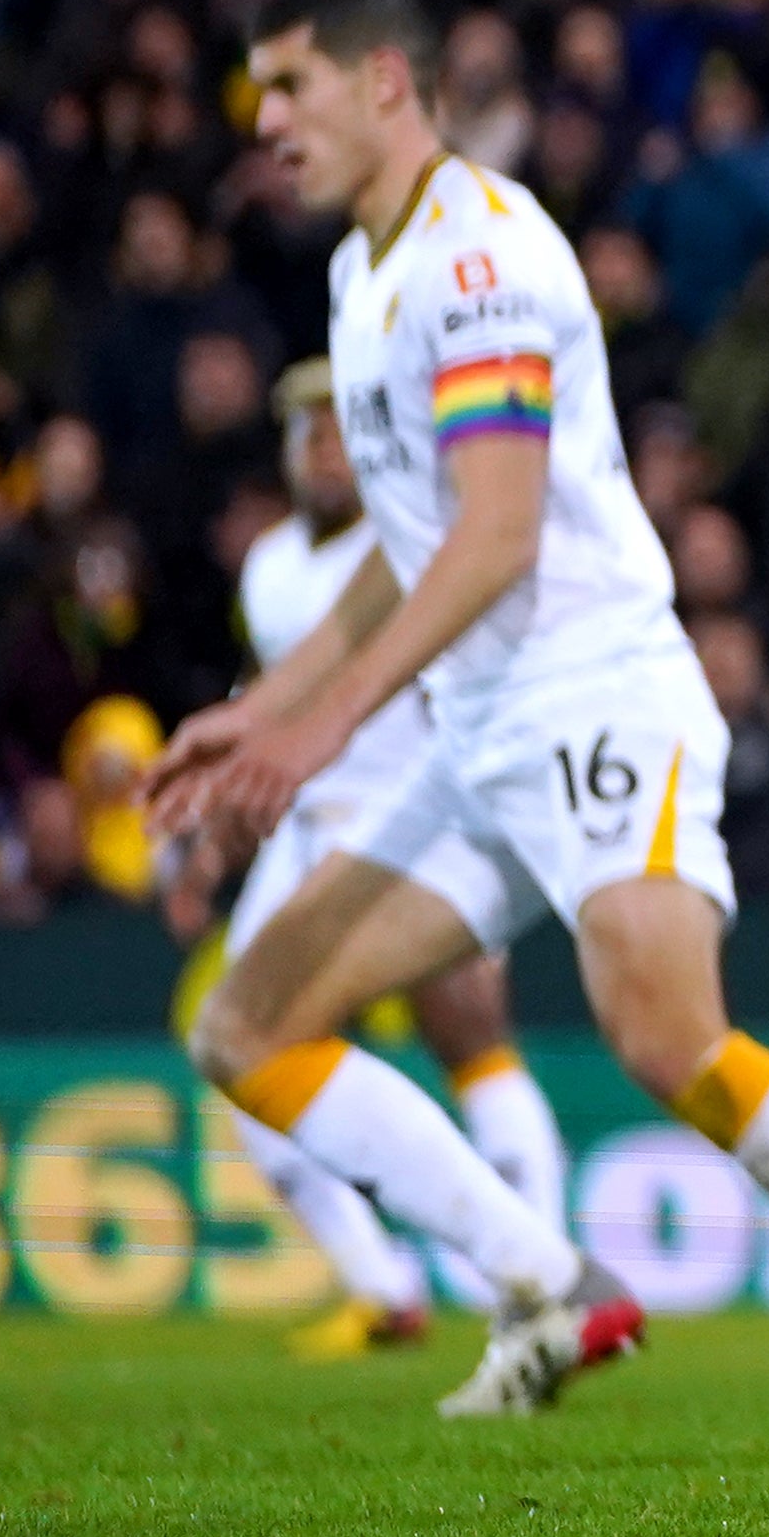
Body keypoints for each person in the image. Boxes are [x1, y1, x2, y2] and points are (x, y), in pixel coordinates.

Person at [151, 0, 769, 1416]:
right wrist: (273, 697)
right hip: (477, 727)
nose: (266, 118)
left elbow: (495, 535)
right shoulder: (357, 276)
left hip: (591, 692)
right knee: (247, 1024)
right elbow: (411, 546)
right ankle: (544, 1285)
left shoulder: (477, 255)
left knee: (665, 1034)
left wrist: (326, 720)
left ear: (385, 78)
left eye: (289, 83)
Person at [217, 357, 568, 1358]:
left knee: (469, 1037)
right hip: (302, 828)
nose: (324, 448)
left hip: (412, 817)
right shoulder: (269, 563)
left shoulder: (417, 543)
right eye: (305, 432)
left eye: (339, 428)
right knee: (238, 1050)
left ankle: (541, 1268)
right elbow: (267, 690)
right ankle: (380, 1286)